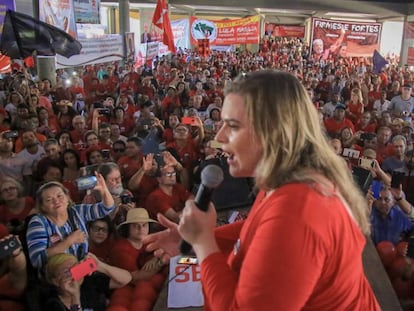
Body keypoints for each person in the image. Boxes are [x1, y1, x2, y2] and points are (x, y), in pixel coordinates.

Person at [144, 70, 380, 310]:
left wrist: (204, 244)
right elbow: (256, 227)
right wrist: (194, 239)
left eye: (233, 126)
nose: (220, 136)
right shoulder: (287, 181)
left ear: (273, 132)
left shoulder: (299, 213)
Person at [26, 176, 115, 270]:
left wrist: (104, 190)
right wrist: (69, 241)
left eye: (59, 196)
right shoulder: (38, 223)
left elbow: (107, 208)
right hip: (58, 276)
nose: (56, 201)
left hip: (80, 268)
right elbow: (37, 260)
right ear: (43, 206)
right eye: (49, 200)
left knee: (123, 277)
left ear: (67, 198)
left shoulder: (77, 211)